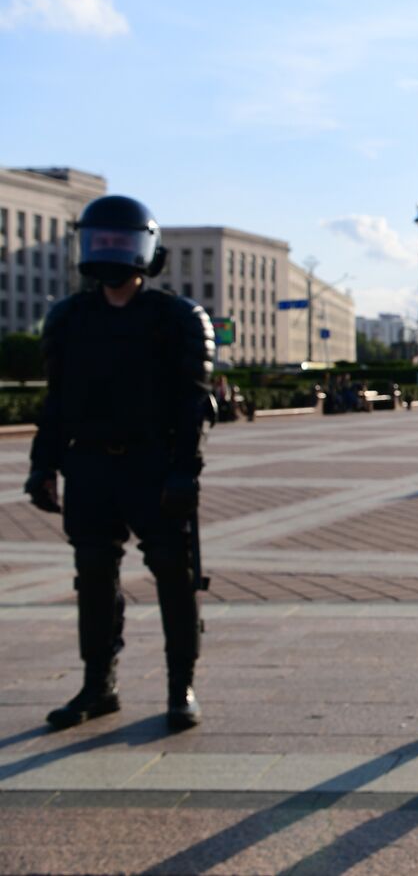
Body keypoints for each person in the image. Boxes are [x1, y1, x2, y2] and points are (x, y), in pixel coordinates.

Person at [25, 194, 215, 732]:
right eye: (100, 241)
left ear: (146, 251)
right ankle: (98, 685)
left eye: (120, 242)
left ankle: (181, 685)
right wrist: (43, 466)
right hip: (89, 468)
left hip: (153, 466)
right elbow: (55, 401)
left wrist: (184, 471)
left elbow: (193, 403)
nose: (110, 252)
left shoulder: (177, 318)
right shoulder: (68, 318)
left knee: (173, 577)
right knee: (93, 576)